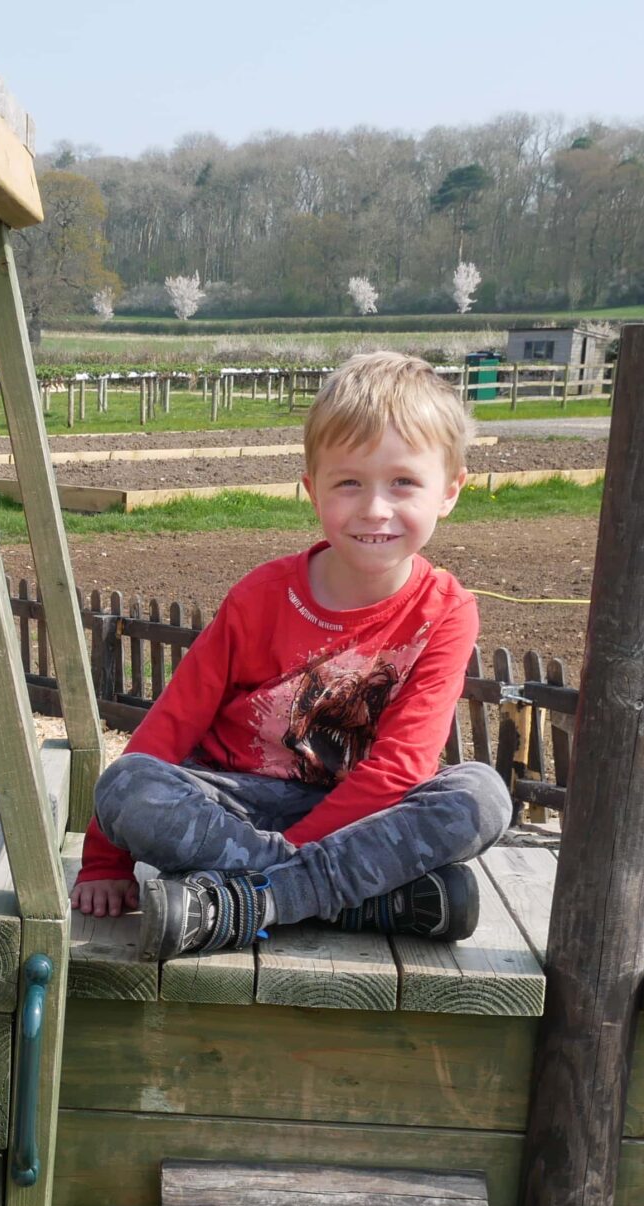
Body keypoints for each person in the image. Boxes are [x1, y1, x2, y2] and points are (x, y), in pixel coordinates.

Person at [72, 351, 512, 959]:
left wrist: (294, 867)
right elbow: (170, 726)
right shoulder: (261, 596)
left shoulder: (446, 611)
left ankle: (254, 901)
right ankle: (368, 900)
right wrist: (105, 857)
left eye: (404, 482)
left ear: (450, 492)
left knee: (481, 796)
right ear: (312, 489)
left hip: (365, 810)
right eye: (349, 482)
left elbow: (401, 770)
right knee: (128, 786)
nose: (375, 508)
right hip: (236, 804)